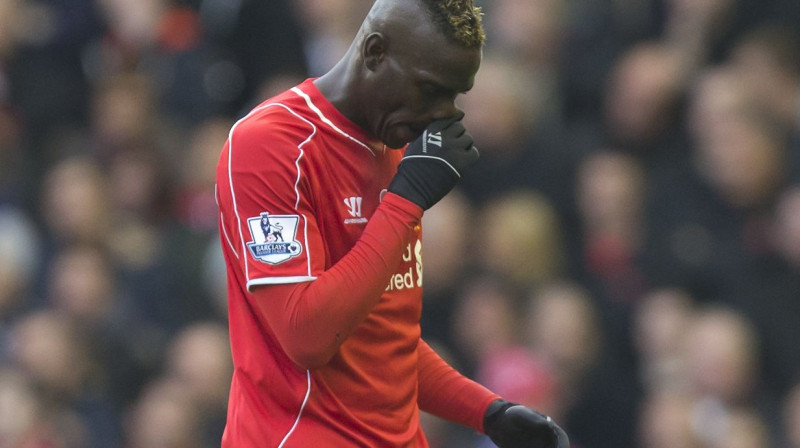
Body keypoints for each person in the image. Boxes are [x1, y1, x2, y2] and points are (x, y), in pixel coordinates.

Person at [214, 0, 569, 447]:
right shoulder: (272, 146)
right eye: (429, 91)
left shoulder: (395, 147)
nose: (442, 116)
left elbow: (381, 339)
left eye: (454, 96)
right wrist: (407, 200)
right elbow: (305, 336)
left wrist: (486, 411)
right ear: (376, 52)